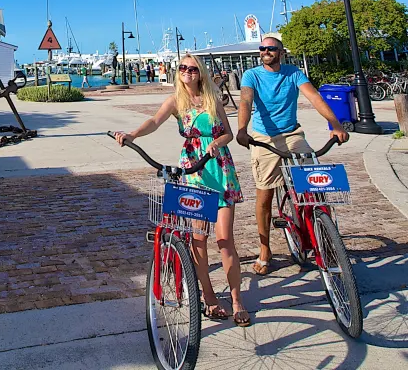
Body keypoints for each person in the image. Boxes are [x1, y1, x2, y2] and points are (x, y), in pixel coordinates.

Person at [114, 54, 249, 326]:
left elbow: (228, 133)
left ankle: (237, 300)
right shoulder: (176, 101)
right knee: (199, 239)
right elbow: (155, 121)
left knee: (225, 240)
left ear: (201, 73)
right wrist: (133, 134)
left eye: (193, 68)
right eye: (183, 68)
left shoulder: (212, 98)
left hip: (218, 167)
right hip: (193, 170)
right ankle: (209, 297)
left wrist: (216, 143)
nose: (188, 72)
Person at [236, 35, 350, 276]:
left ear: (281, 52)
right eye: (262, 48)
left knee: (315, 182)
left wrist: (335, 124)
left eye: (271, 48)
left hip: (292, 134)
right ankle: (265, 249)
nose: (266, 52)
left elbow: (315, 97)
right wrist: (242, 129)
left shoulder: (293, 73)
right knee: (264, 193)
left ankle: (325, 234)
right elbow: (245, 100)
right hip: (264, 136)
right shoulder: (251, 75)